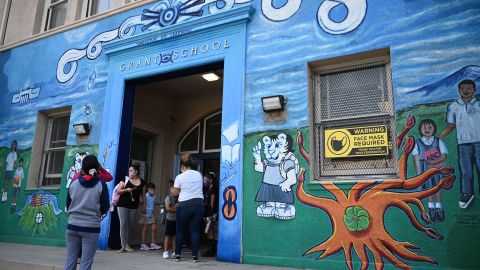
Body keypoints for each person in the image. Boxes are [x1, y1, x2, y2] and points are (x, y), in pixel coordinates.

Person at [64, 154, 110, 270]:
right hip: (91, 228)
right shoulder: (101, 185)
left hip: (72, 226)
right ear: (97, 169)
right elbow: (105, 207)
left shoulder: (73, 183)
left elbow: (68, 205)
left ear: (82, 168)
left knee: (70, 260)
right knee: (85, 263)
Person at [440, 79, 480, 209]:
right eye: (463, 88)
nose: (466, 90)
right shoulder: (453, 106)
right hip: (463, 144)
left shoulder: (479, 104)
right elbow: (451, 126)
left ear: (474, 90)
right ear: (459, 90)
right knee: (465, 171)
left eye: (469, 88)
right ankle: (467, 194)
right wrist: (438, 138)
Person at [412, 119, 448, 221]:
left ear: (434, 128)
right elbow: (416, 158)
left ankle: (439, 208)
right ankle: (431, 208)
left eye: (430, 127)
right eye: (424, 127)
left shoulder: (438, 141)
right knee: (428, 190)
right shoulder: (418, 143)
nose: (427, 129)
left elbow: (444, 155)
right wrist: (419, 174)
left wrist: (435, 161)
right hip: (424, 170)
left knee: (437, 188)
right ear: (420, 129)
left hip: (436, 169)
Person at [171, 154, 204, 262]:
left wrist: (172, 189)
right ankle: (194, 256)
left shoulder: (180, 177)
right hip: (198, 205)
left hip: (184, 205)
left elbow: (175, 193)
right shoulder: (199, 174)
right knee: (195, 231)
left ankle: (177, 255)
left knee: (180, 231)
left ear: (183, 166)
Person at [116, 164, 146, 252]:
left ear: (136, 171)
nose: (130, 172)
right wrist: (126, 190)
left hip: (134, 206)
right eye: (129, 170)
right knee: (123, 224)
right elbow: (118, 190)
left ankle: (127, 244)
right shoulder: (125, 179)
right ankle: (123, 245)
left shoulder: (143, 182)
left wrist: (143, 206)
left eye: (131, 170)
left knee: (130, 225)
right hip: (122, 204)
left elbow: (143, 196)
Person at [139, 182, 161, 251]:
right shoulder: (145, 195)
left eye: (154, 189)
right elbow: (143, 204)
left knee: (154, 228)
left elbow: (153, 205)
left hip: (151, 214)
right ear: (148, 189)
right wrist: (143, 209)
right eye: (151, 189)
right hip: (146, 214)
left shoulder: (154, 196)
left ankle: (153, 244)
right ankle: (143, 244)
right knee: (145, 229)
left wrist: (155, 213)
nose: (153, 191)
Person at [202, 171, 219, 257]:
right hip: (207, 211)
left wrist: (210, 215)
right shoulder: (208, 189)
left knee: (210, 230)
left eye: (206, 179)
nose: (204, 181)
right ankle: (211, 248)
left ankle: (212, 250)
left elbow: (212, 204)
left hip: (211, 212)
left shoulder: (213, 189)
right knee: (209, 231)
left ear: (211, 180)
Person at [163, 186, 178, 259]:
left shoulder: (179, 198)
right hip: (169, 219)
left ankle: (174, 252)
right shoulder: (168, 198)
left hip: (176, 219)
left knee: (174, 236)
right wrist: (176, 210)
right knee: (168, 236)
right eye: (174, 190)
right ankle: (165, 252)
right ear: (171, 191)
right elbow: (168, 208)